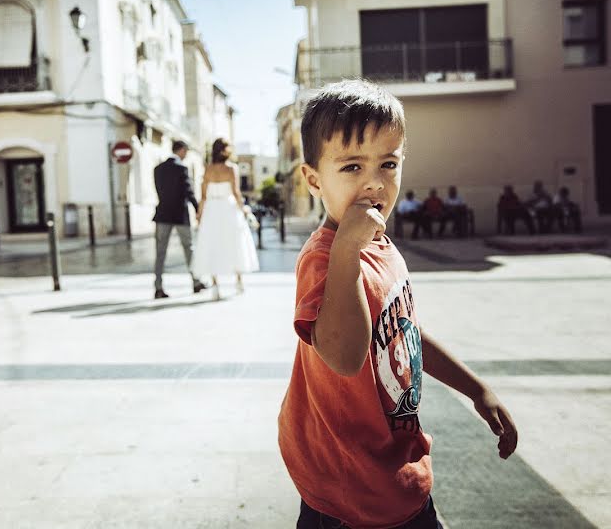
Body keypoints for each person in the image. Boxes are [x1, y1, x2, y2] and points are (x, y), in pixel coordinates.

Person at [279, 80, 518, 529]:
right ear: (314, 179)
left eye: (388, 164)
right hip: (346, 484)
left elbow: (401, 332)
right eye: (351, 166)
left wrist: (475, 389)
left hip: (395, 470)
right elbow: (345, 356)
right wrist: (347, 249)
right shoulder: (323, 258)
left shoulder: (382, 246)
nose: (375, 182)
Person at [191, 137, 259, 300]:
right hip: (228, 209)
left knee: (211, 245)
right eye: (228, 148)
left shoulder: (207, 169)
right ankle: (239, 281)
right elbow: (236, 193)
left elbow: (203, 196)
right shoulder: (231, 169)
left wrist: (199, 216)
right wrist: (244, 210)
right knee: (234, 243)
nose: (231, 151)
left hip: (211, 210)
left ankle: (215, 286)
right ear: (222, 150)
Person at [152, 140, 207, 299]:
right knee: (189, 249)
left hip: (162, 214)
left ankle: (158, 287)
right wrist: (198, 210)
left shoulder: (158, 169)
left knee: (160, 253)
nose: (186, 155)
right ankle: (196, 282)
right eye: (186, 152)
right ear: (181, 150)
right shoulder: (182, 168)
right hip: (180, 215)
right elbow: (188, 192)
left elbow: (159, 190)